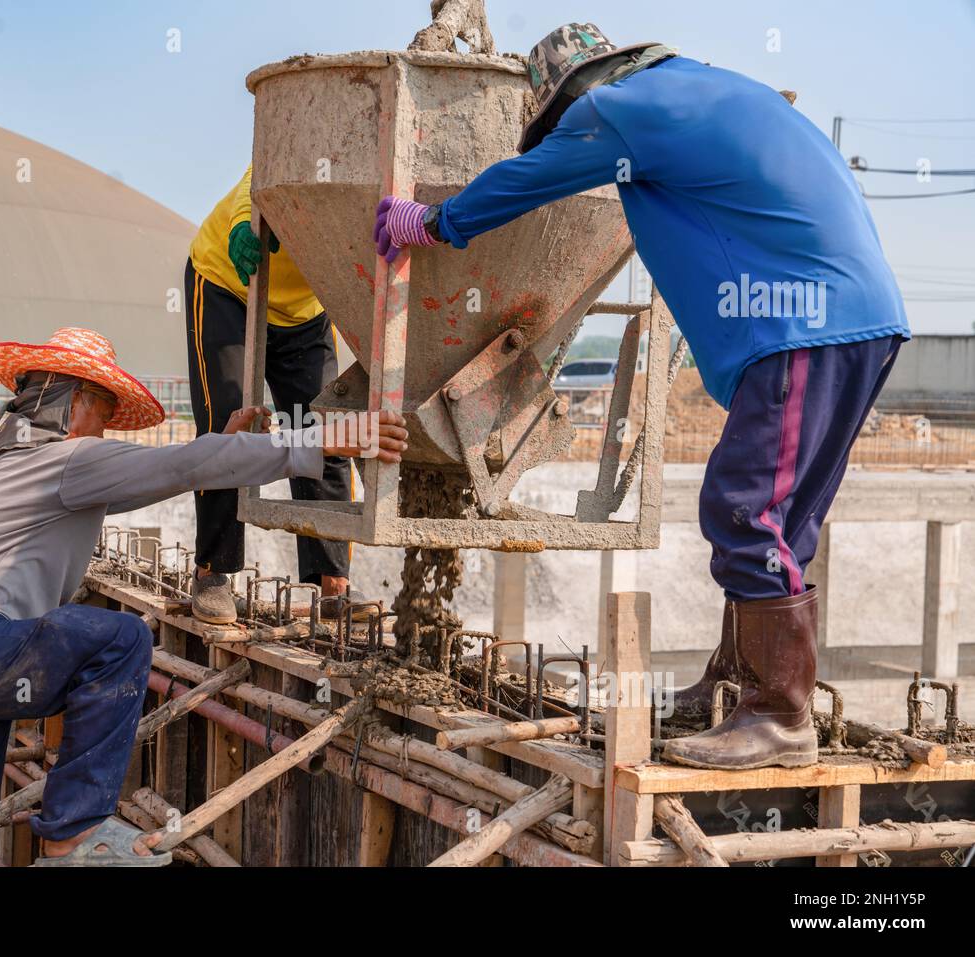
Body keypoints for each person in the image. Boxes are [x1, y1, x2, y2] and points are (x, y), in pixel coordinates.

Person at [373, 23, 910, 771]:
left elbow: (528, 179)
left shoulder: (618, 108)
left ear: (574, 92)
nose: (567, 137)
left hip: (801, 324)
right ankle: (740, 685)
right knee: (785, 518)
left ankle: (781, 716)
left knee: (741, 504)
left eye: (560, 123)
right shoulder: (709, 89)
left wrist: (434, 221)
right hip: (862, 320)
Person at [0, 327, 407, 865]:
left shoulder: (4, 467)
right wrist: (319, 441)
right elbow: (179, 465)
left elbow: (171, 474)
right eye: (103, 410)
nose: (104, 429)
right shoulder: (65, 461)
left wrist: (222, 445)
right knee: (121, 641)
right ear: (72, 401)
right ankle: (73, 834)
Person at [186, 164, 364, 624]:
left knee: (322, 428)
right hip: (229, 284)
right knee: (228, 423)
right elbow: (255, 179)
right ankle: (212, 571)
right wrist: (245, 224)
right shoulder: (307, 149)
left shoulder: (375, 189)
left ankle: (332, 583)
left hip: (305, 310)